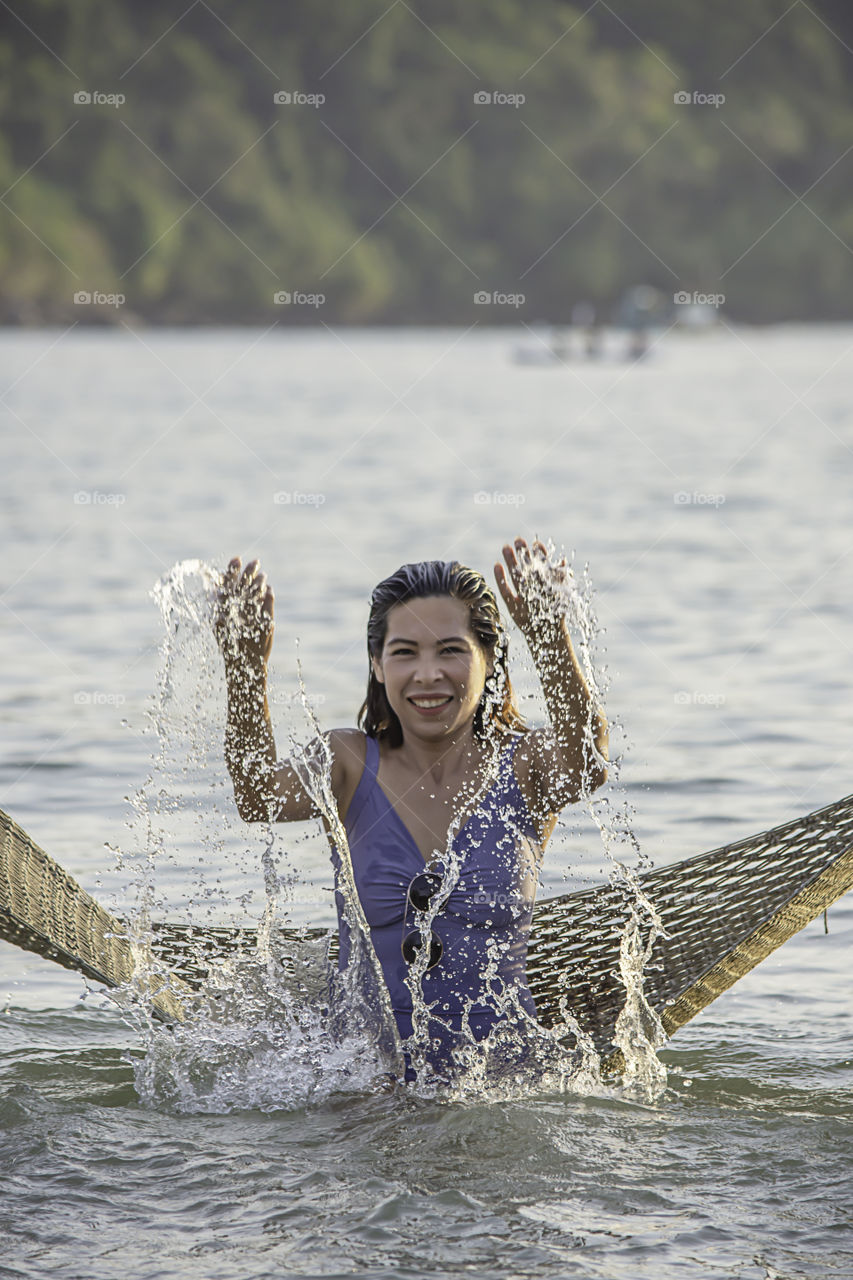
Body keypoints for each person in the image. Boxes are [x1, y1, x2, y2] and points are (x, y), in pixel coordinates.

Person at [214, 538, 609, 1081]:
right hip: (362, 1088)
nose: (428, 675)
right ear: (377, 666)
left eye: (450, 650)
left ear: (488, 661)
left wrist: (550, 639)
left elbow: (588, 763)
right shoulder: (349, 765)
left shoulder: (525, 766)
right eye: (405, 653)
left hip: (502, 1088)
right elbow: (257, 795)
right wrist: (243, 667)